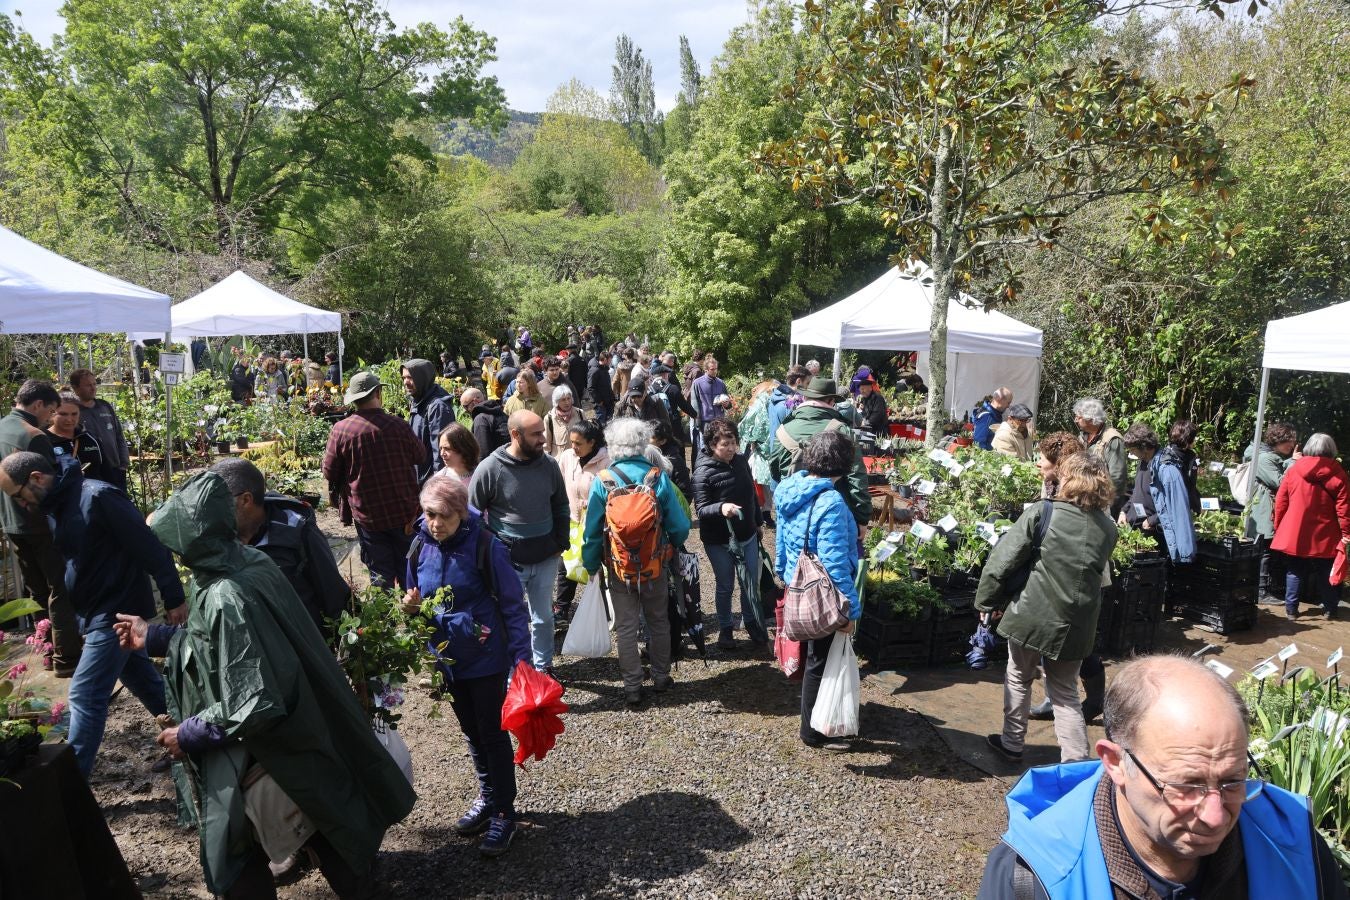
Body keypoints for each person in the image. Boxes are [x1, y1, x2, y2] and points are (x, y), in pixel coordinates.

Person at [116, 472, 415, 899]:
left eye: (174, 545)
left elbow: (254, 699)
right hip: (300, 728)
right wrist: (155, 636)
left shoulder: (225, 594)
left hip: (273, 745)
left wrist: (190, 732)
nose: (174, 555)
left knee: (244, 847)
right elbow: (211, 645)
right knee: (321, 819)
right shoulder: (244, 563)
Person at [976, 654, 1350, 900]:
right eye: (1187, 786)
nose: (1215, 816)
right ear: (1115, 762)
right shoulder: (1029, 879)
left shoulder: (1297, 846)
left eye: (1233, 781)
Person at [0, 451, 186, 777]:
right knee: (144, 681)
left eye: (19, 495)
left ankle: (72, 787)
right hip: (95, 610)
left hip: (116, 612)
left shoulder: (98, 496)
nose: (21, 504)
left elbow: (150, 548)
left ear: (36, 479)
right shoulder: (58, 505)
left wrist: (174, 597)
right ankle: (189, 739)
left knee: (85, 695)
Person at [402, 476, 531, 857]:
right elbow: (413, 599)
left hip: (486, 658)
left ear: (461, 513)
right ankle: (488, 798)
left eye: (444, 516)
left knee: (492, 735)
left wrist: (520, 662)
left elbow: (513, 606)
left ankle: (505, 813)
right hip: (448, 660)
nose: (435, 523)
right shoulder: (418, 546)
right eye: (429, 515)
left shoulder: (486, 547)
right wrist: (409, 608)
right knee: (472, 734)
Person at [977, 453, 1118, 764]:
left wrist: (986, 603)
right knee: (1066, 691)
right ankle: (1076, 762)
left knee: (1018, 675)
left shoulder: (1045, 512)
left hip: (1033, 613)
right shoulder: (1108, 528)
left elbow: (1001, 562)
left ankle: (1012, 743)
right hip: (1077, 621)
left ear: (1067, 480)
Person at [581, 417, 691, 708]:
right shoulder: (657, 477)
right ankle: (661, 677)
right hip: (655, 563)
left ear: (612, 445)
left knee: (626, 627)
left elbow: (592, 531)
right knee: (658, 621)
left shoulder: (603, 480)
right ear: (643, 444)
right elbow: (680, 526)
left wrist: (591, 564)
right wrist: (669, 546)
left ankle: (632, 686)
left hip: (620, 567)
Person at [773, 431, 862, 751]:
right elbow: (835, 563)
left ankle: (817, 720)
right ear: (843, 465)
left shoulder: (786, 488)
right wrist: (850, 609)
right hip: (822, 591)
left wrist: (784, 576)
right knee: (818, 660)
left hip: (798, 583)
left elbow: (780, 540)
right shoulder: (831, 502)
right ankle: (813, 732)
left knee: (810, 654)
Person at [470, 411, 570, 674]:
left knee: (543, 617)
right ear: (516, 435)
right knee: (510, 618)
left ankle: (543, 667)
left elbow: (560, 504)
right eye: (536, 434)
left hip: (546, 555)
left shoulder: (548, 464)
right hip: (508, 559)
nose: (544, 439)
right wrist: (493, 549)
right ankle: (515, 670)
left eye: (543, 432)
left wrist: (561, 540)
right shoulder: (491, 468)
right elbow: (473, 514)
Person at [209, 458, 352, 634]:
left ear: (246, 500)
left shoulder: (297, 530)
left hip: (300, 645)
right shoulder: (216, 539)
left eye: (217, 501)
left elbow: (332, 592)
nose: (212, 511)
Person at [1025, 432, 1108, 725]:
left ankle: (1090, 699)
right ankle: (1061, 697)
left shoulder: (1083, 489)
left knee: (1078, 644)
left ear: (1060, 466)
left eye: (1043, 460)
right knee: (1065, 641)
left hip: (1081, 575)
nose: (1037, 463)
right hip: (1064, 573)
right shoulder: (1055, 484)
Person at [0, 380, 81, 675]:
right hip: (39, 523)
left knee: (36, 590)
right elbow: (50, 486)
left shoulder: (2, 426)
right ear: (38, 405)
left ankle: (46, 650)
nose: (52, 418)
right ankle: (67, 657)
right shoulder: (33, 436)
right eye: (51, 411)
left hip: (11, 522)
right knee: (60, 587)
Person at [321, 371, 424, 588]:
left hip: (368, 513)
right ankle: (414, 614)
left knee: (379, 572)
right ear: (377, 393)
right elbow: (420, 456)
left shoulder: (341, 430)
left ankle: (384, 618)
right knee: (409, 568)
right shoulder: (399, 425)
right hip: (403, 511)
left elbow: (329, 472)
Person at [694, 418, 769, 651]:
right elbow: (701, 509)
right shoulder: (702, 472)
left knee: (749, 583)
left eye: (733, 443)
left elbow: (751, 496)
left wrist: (757, 522)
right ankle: (725, 629)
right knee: (725, 585)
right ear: (711, 445)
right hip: (719, 540)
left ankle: (751, 622)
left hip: (746, 535)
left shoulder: (740, 462)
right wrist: (721, 508)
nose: (730, 448)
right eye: (724, 444)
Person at [767, 376, 872, 536]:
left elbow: (774, 468)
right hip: (831, 515)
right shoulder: (841, 430)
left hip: (792, 512)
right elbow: (856, 476)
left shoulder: (784, 429)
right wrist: (862, 517)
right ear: (831, 402)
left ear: (805, 397)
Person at [1272, 432, 1350, 620]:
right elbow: (1344, 508)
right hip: (1326, 532)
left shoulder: (1294, 469)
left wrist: (1279, 526)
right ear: (1331, 449)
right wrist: (1346, 533)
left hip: (1296, 530)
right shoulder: (1338, 473)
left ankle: (1291, 610)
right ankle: (1330, 609)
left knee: (1295, 570)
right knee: (1326, 571)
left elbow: (1281, 501)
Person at [554, 419, 609, 621]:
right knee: (565, 567)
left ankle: (604, 610)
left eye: (578, 443)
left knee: (599, 567)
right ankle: (561, 609)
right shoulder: (567, 457)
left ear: (592, 442)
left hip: (597, 524)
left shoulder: (606, 461)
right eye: (571, 443)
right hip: (572, 521)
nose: (573, 447)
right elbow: (558, 484)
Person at [1121, 424, 1195, 564]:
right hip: (1137, 527)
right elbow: (1137, 492)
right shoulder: (1143, 462)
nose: (1131, 453)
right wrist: (1124, 511)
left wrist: (1153, 520)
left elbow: (1176, 507)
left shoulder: (1166, 468)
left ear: (1144, 447)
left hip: (1155, 532)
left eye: (1132, 449)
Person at [1244, 422, 1298, 604]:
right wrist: (1293, 462)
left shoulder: (1269, 456)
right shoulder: (1265, 459)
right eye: (1289, 441)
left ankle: (1264, 588)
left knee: (1265, 549)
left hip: (1264, 507)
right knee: (1264, 549)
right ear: (1279, 440)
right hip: (1263, 509)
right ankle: (1261, 592)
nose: (1292, 445)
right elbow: (1282, 483)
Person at [69, 368, 129, 490]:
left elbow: (119, 435)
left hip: (115, 469)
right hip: (91, 473)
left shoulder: (105, 406)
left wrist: (124, 464)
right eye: (88, 385)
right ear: (76, 388)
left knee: (119, 506)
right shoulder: (72, 412)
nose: (93, 388)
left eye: (94, 384)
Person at [401, 358, 457, 485]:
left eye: (410, 377)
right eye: (404, 378)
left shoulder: (437, 407)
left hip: (431, 485)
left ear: (423, 378)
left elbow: (442, 453)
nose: (406, 382)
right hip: (420, 481)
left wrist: (437, 486)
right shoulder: (419, 401)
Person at [1074, 397, 1129, 515]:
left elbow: (1117, 477)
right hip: (1085, 501)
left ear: (1090, 419)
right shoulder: (1082, 437)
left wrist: (1105, 502)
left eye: (1078, 417)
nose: (1075, 420)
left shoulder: (1112, 439)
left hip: (1104, 504)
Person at [47, 390, 108, 480]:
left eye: (74, 414)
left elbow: (106, 472)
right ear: (52, 413)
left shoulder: (90, 439)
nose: (69, 419)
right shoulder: (43, 440)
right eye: (63, 414)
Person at [766, 365, 810, 457]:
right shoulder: (791, 403)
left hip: (774, 449)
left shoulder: (775, 397)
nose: (808, 388)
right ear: (798, 381)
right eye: (807, 383)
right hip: (785, 454)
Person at [690, 356, 729, 456]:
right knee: (706, 449)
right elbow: (695, 405)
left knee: (720, 448)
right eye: (712, 369)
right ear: (706, 369)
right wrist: (698, 424)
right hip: (705, 422)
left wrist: (727, 404)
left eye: (716, 368)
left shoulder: (721, 383)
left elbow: (727, 401)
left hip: (719, 421)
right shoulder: (697, 383)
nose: (715, 371)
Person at [460, 387, 510, 459]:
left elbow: (483, 453)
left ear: (475, 401)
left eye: (465, 406)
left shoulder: (481, 419)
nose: (465, 411)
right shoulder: (500, 412)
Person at [1168, 419, 1202, 514]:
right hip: (1178, 508)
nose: (1195, 440)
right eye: (1194, 437)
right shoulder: (1172, 458)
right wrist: (1197, 506)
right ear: (1188, 438)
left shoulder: (1189, 456)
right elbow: (1187, 486)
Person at [543, 385, 585, 457]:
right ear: (557, 402)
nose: (567, 402)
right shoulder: (549, 419)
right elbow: (546, 447)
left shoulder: (580, 413)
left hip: (579, 460)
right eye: (563, 400)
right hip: (560, 463)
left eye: (568, 398)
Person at [972, 387, 1013, 451]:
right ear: (1000, 399)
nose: (1008, 406)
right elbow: (979, 444)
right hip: (986, 458)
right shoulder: (986, 417)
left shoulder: (996, 415)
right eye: (1008, 403)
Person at [588, 349, 617, 422]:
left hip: (608, 401)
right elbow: (591, 387)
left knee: (610, 422)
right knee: (601, 423)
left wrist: (613, 398)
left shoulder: (605, 369)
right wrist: (599, 401)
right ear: (604, 359)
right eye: (609, 360)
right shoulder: (594, 370)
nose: (610, 362)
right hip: (601, 404)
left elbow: (608, 386)